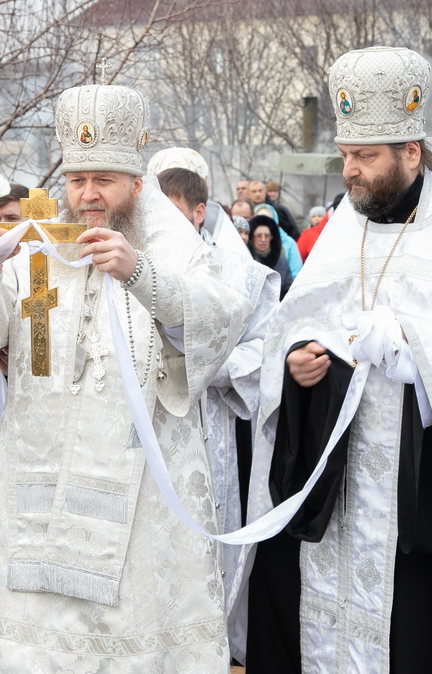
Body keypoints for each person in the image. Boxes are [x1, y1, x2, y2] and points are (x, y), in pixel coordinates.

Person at [245, 46, 432, 672]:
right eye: (346, 156)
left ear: (411, 152)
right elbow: (292, 330)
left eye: (365, 158)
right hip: (342, 497)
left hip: (425, 504)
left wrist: (414, 357)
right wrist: (298, 365)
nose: (349, 173)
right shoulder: (346, 229)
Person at [0, 82, 251, 672]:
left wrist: (141, 275)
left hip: (138, 504)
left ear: (136, 184)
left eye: (105, 180)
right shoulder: (39, 251)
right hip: (36, 491)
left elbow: (220, 324)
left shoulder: (173, 248)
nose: (88, 195)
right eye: (77, 179)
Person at [157, 166, 279, 656]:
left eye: (170, 214)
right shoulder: (131, 267)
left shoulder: (241, 276)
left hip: (212, 424)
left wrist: (210, 364)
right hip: (152, 429)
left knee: (212, 539)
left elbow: (269, 347)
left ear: (198, 212)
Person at [248, 215, 291, 296]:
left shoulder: (282, 263)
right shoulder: (248, 261)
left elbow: (288, 289)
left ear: (272, 238)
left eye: (267, 236)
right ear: (252, 238)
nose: (263, 240)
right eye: (259, 236)